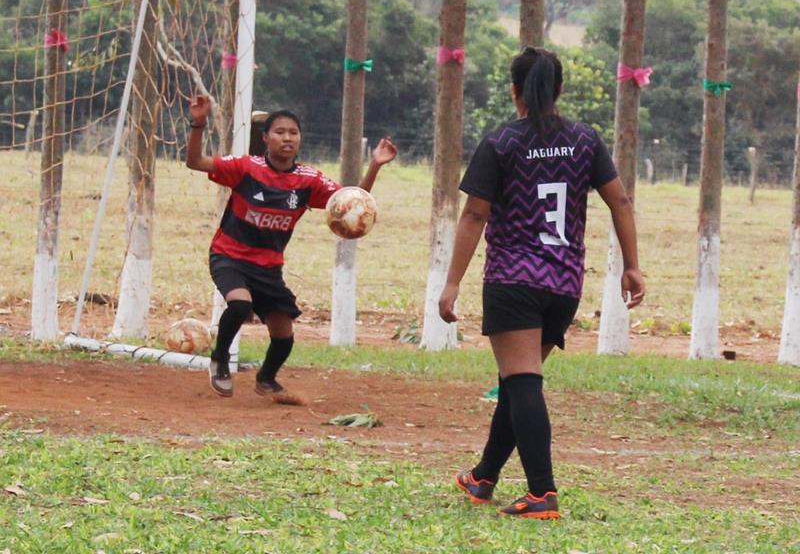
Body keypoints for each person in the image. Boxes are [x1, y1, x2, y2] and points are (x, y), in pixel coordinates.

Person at [438, 47, 645, 519]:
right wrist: (632, 266)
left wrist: (451, 284)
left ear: (515, 91)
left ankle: (542, 493)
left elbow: (474, 213)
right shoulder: (585, 140)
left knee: (523, 381)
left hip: (514, 279)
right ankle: (483, 477)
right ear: (560, 90)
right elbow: (621, 201)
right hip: (564, 283)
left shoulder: (502, 142)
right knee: (516, 382)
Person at [186, 95, 397, 397]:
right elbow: (194, 162)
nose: (287, 138)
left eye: (293, 133)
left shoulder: (308, 180)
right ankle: (219, 359)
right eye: (280, 132)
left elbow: (351, 202)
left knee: (284, 335)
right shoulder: (246, 168)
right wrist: (199, 123)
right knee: (241, 304)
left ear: (299, 140)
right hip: (229, 256)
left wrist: (375, 164)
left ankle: (266, 379)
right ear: (265, 138)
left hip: (269, 268)